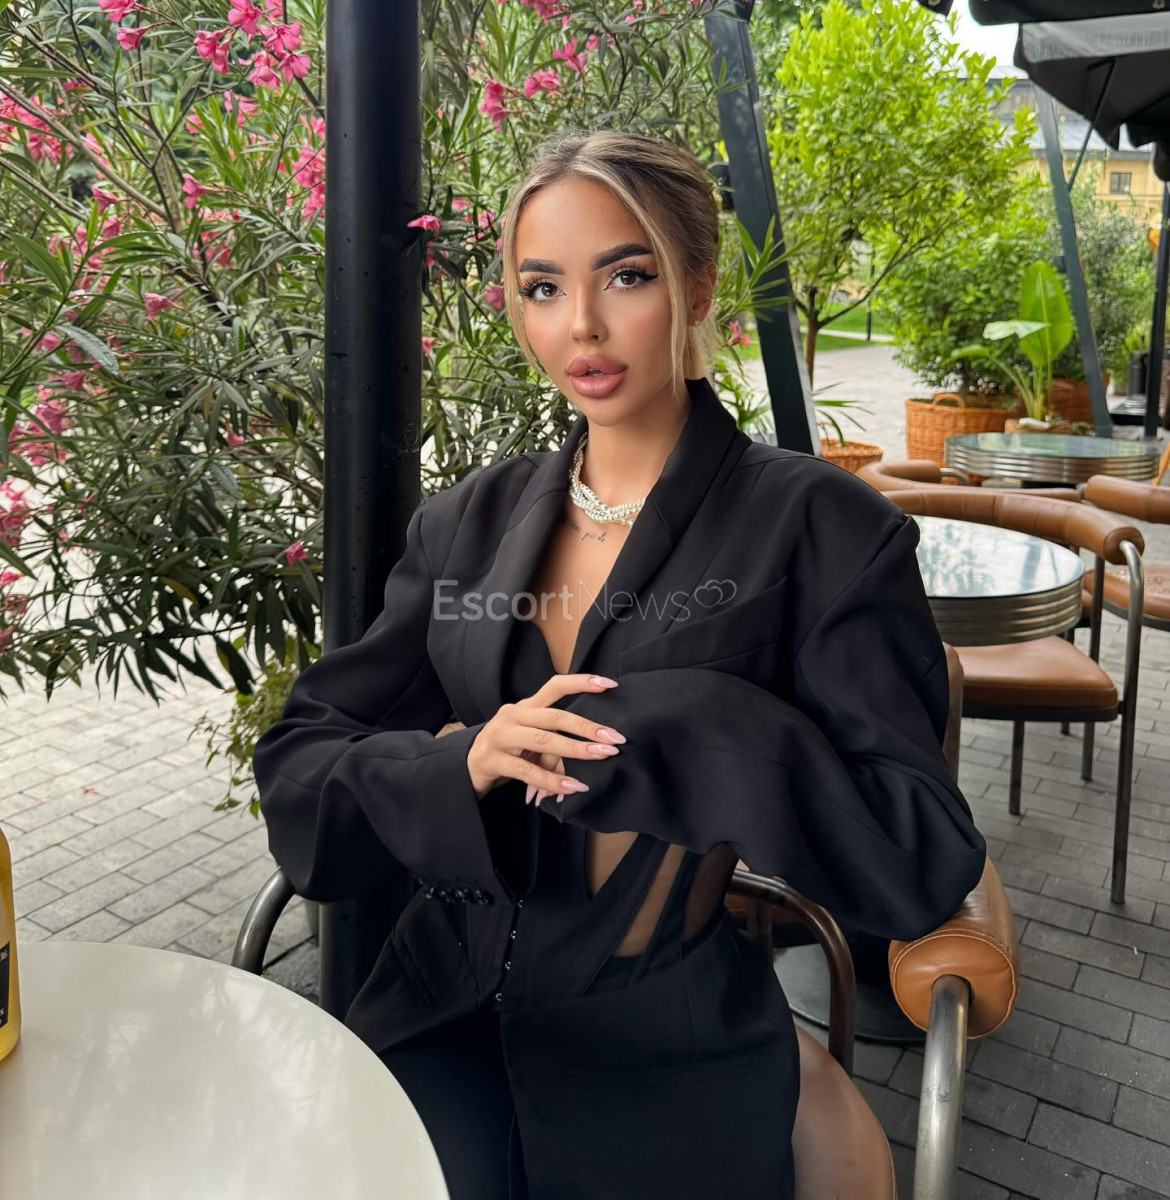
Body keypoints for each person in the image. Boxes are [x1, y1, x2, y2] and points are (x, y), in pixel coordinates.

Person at [252, 128, 987, 1200]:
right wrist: (462, 762)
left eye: (626, 276)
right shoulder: (467, 524)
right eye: (543, 288)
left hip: (666, 1039)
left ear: (698, 286)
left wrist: (697, 726)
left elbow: (917, 855)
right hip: (434, 1006)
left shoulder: (820, 526)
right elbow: (302, 764)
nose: (582, 326)